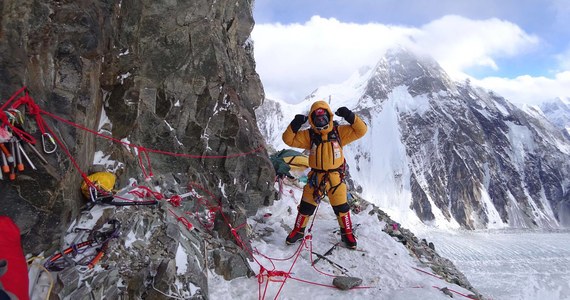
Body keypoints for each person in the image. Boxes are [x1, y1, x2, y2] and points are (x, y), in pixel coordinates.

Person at [282, 100, 367, 249]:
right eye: (317, 119)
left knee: (342, 208)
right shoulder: (310, 135)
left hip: (335, 178)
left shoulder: (339, 132)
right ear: (312, 120)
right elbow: (288, 139)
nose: (321, 121)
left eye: (324, 118)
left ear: (329, 116)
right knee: (305, 207)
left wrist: (349, 115)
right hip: (316, 178)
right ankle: (298, 231)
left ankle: (347, 234)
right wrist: (295, 124)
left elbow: (361, 130)